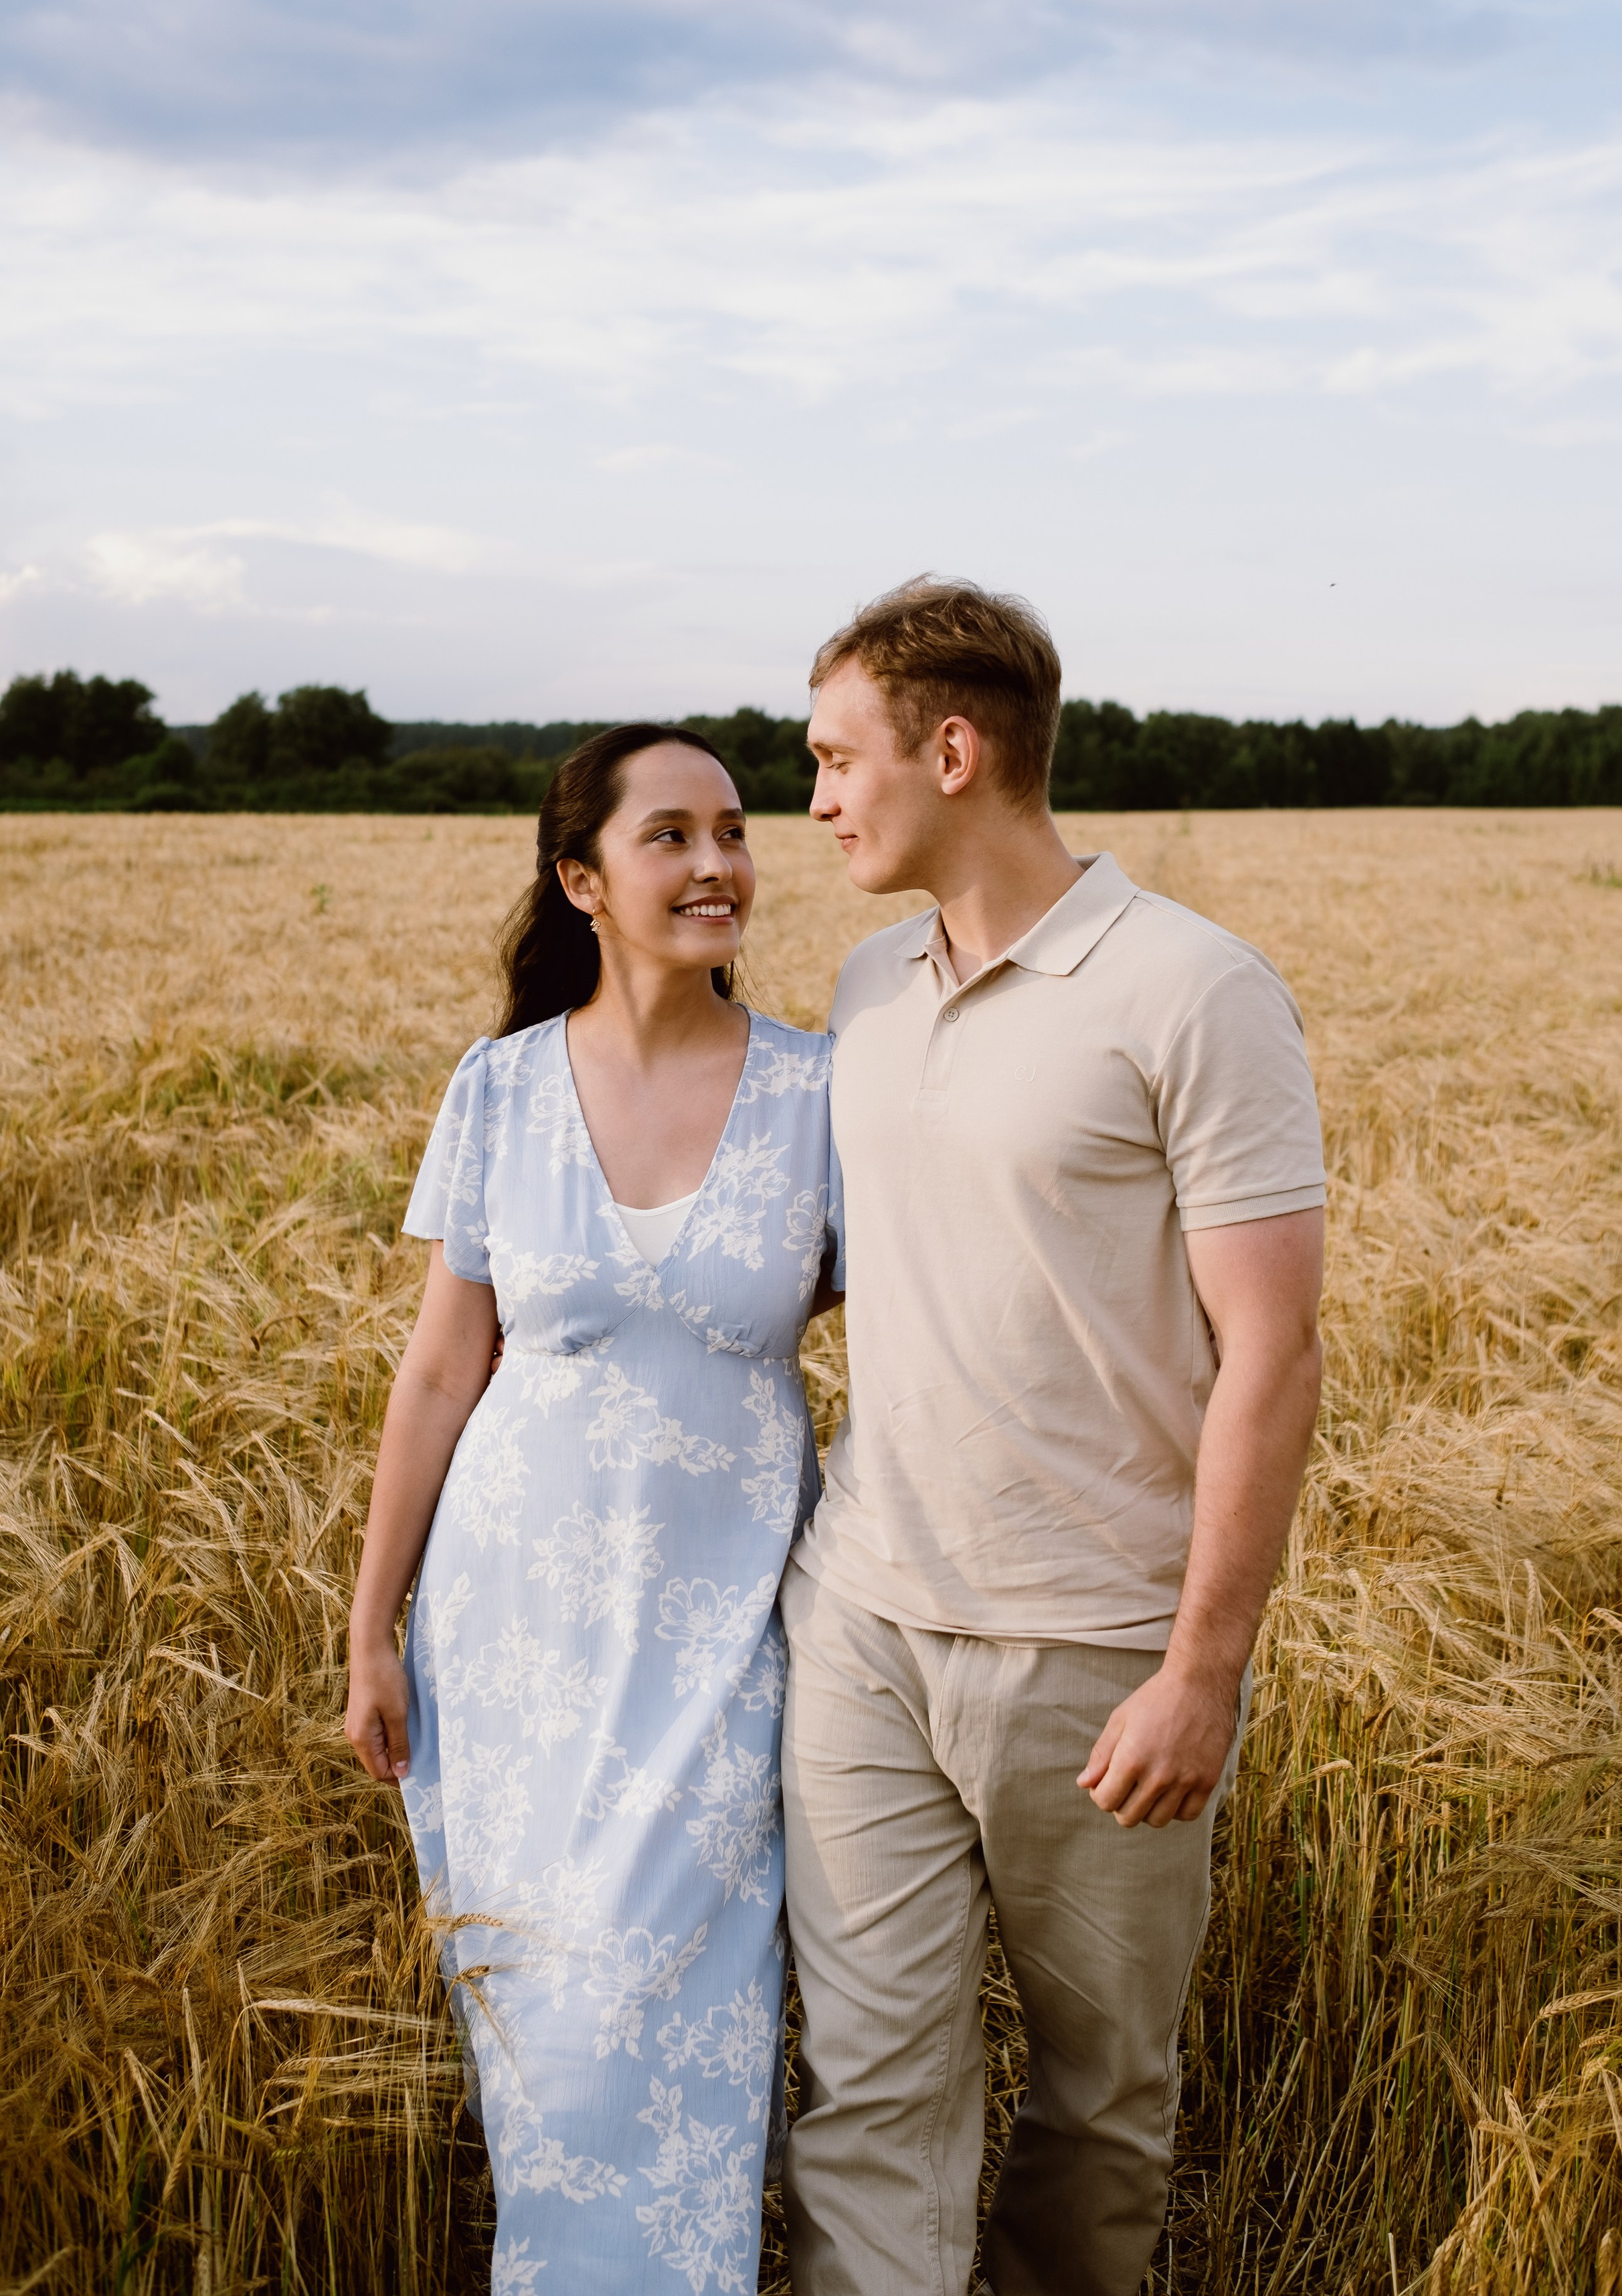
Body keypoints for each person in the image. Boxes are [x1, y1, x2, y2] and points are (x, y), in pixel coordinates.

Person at [781, 580, 1326, 2296]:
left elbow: (1273, 1349)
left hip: (1095, 1647)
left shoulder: (1189, 990)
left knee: (1099, 2104)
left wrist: (1202, 1672)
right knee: (868, 2083)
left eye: (831, 758)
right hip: (860, 1620)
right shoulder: (868, 984)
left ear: (951, 752)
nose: (814, 801)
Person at [343, 723, 840, 2296]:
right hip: (509, 1645)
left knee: (678, 2038)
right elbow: (438, 1374)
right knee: (553, 2053)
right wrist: (372, 1629)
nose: (717, 866)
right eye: (671, 837)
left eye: (737, 831)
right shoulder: (496, 1090)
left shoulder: (820, 1094)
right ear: (584, 879)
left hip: (719, 1644)